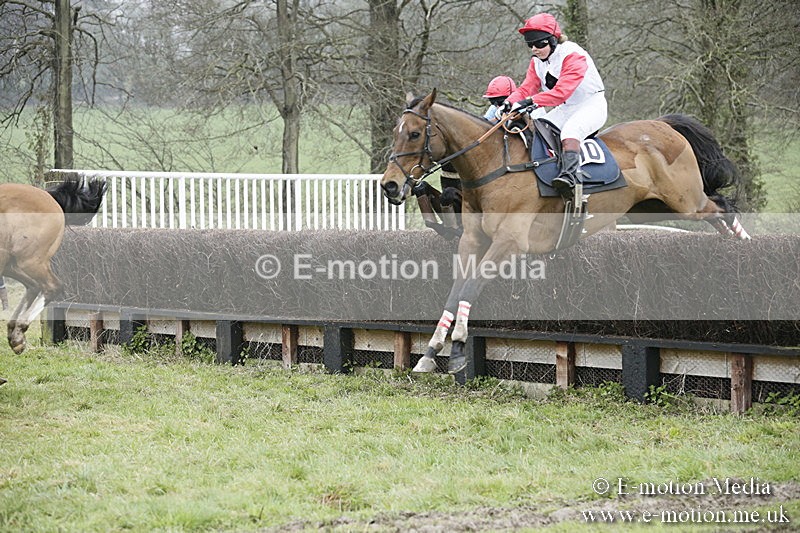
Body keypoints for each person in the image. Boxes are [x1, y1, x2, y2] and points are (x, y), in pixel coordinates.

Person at [502, 13, 607, 198]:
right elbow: (527, 88)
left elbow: (561, 93)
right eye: (530, 45)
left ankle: (570, 177)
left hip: (592, 105)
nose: (535, 49)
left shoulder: (573, 55)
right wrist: (508, 103)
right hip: (568, 108)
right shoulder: (536, 62)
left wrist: (531, 102)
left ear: (553, 40)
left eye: (540, 44)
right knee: (538, 129)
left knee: (570, 132)